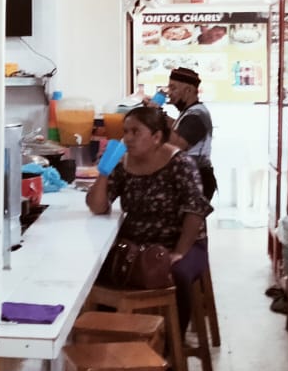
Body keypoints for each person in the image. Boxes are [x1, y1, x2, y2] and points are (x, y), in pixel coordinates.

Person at [85, 103, 212, 323]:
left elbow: (195, 212)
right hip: (137, 245)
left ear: (156, 137)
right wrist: (104, 172)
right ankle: (112, 340)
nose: (128, 138)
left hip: (181, 243)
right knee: (98, 271)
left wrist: (179, 252)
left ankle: (171, 348)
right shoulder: (124, 163)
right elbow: (97, 206)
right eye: (125, 132)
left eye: (136, 132)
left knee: (177, 275)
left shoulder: (181, 164)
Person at [165, 66, 216, 200]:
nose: (169, 93)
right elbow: (178, 125)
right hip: (192, 176)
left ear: (188, 90)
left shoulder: (196, 115)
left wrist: (156, 117)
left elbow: (177, 145)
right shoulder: (190, 112)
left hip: (197, 179)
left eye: (173, 88)